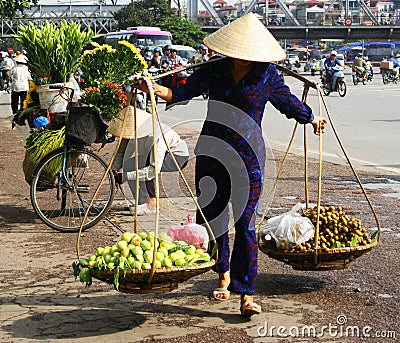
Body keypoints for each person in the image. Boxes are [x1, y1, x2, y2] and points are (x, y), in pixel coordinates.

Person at [136, 13, 326, 316]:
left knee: (245, 222)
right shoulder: (215, 70)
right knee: (213, 218)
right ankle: (222, 270)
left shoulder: (267, 75)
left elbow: (289, 103)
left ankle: (246, 293)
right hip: (212, 154)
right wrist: (154, 88)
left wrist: (311, 118)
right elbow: (181, 91)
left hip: (247, 158)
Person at [110, 107, 189, 215]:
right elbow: (121, 152)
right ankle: (142, 202)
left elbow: (153, 171)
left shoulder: (157, 137)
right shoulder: (129, 132)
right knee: (129, 163)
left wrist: (126, 176)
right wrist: (112, 170)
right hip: (152, 155)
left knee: (144, 164)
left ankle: (151, 203)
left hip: (177, 156)